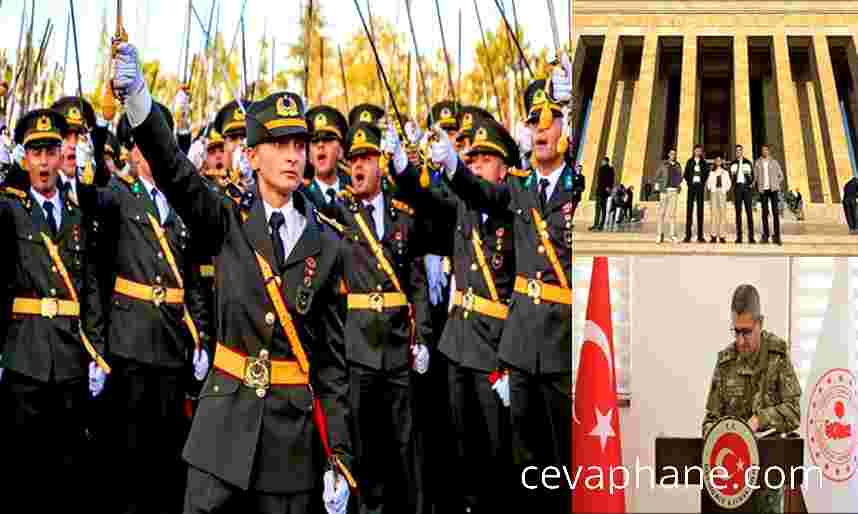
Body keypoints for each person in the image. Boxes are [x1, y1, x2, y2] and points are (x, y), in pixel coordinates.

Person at [113, 43, 354, 513]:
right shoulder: (225, 219)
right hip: (222, 430)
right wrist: (138, 96)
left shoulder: (329, 245)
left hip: (291, 441)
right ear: (253, 155)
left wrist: (340, 457)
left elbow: (330, 365)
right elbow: (174, 169)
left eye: (299, 145)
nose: (292, 156)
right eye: (278, 145)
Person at [431, 67, 574, 513]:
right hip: (520, 345)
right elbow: (479, 191)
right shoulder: (518, 188)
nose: (540, 129)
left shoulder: (582, 182)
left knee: (561, 465)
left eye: (551, 119)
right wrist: (452, 165)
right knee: (525, 464)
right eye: (534, 122)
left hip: (561, 341)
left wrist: (578, 109)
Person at [77, 97, 212, 512]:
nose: (146, 153)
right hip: (131, 342)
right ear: (131, 151)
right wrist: (90, 153)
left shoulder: (186, 203)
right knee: (131, 452)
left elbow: (192, 281)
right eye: (139, 144)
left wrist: (201, 339)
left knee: (170, 453)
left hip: (173, 343)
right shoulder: (119, 194)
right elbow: (88, 200)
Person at [388, 117, 519, 512]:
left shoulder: (512, 207)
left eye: (485, 159)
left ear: (504, 167)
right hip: (458, 345)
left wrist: (511, 360)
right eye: (472, 158)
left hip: (494, 350)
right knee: (461, 451)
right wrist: (401, 165)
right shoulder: (461, 206)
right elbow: (427, 194)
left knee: (496, 455)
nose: (476, 165)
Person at [0, 108, 109, 511]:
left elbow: (91, 287)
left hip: (69, 357)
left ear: (62, 151)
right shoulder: (9, 210)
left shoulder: (80, 212)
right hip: (23, 355)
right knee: (23, 467)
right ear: (24, 158)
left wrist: (96, 352)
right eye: (35, 152)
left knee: (68, 467)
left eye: (50, 150)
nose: (44, 162)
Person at [703, 284, 801, 513]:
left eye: (746, 331)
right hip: (730, 480)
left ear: (760, 323)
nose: (740, 340)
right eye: (735, 331)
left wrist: (759, 420)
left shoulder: (777, 355)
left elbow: (794, 412)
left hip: (768, 476)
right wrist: (720, 434)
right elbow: (710, 419)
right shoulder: (725, 362)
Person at [302, 105, 351, 217]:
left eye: (328, 139)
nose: (320, 145)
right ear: (308, 156)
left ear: (340, 151)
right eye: (314, 141)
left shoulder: (356, 191)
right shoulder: (301, 198)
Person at [754, 144, 784, 245]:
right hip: (763, 191)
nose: (764, 152)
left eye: (766, 150)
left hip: (773, 190)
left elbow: (781, 175)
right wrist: (758, 187)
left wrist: (776, 184)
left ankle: (777, 236)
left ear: (769, 151)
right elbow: (756, 177)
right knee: (764, 213)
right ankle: (765, 236)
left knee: (775, 213)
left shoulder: (774, 162)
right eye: (762, 150)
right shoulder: (758, 162)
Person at [654, 149, 682, 243]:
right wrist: (659, 186)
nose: (673, 155)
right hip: (664, 191)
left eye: (674, 154)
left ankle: (672, 235)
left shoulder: (678, 165)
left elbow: (680, 177)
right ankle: (659, 234)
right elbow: (657, 176)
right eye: (671, 154)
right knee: (661, 213)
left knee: (672, 215)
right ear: (668, 155)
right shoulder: (663, 165)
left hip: (674, 191)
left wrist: (678, 185)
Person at [683, 144, 709, 243]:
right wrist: (689, 182)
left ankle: (700, 236)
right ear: (694, 151)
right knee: (689, 211)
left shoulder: (704, 162)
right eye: (696, 150)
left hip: (700, 187)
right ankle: (688, 235)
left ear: (701, 152)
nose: (698, 152)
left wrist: (702, 183)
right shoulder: (689, 162)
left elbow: (706, 174)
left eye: (699, 151)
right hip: (691, 187)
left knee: (700, 211)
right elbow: (685, 174)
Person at [731, 144, 756, 244]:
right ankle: (739, 237)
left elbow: (753, 176)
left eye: (739, 151)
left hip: (747, 189)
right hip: (737, 189)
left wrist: (751, 185)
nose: (738, 152)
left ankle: (751, 237)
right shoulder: (733, 163)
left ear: (742, 151)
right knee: (738, 213)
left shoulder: (748, 162)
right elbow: (730, 176)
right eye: (736, 151)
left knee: (749, 213)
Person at [706, 155, 731, 243]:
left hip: (722, 193)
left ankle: (722, 236)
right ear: (715, 162)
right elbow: (708, 183)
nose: (718, 162)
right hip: (714, 193)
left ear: (722, 162)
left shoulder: (725, 172)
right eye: (717, 160)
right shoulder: (711, 172)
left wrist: (724, 190)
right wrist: (711, 189)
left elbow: (729, 183)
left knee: (722, 214)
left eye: (720, 160)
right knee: (714, 214)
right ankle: (713, 236)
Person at [590, 156, 614, 231]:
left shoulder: (603, 169)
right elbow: (611, 181)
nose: (602, 162)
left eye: (603, 161)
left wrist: (607, 187)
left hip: (601, 191)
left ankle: (596, 224)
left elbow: (601, 181)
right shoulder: (610, 169)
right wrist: (609, 188)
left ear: (605, 161)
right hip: (605, 192)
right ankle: (600, 225)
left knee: (598, 208)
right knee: (602, 208)